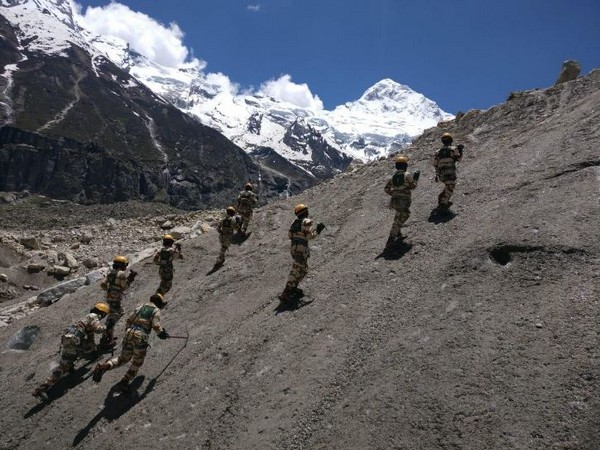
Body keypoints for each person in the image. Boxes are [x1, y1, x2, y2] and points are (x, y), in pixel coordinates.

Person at [92, 293, 169, 393]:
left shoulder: (140, 306)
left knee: (123, 358)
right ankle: (124, 381)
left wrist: (128, 332)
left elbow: (129, 320)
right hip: (140, 336)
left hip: (129, 333)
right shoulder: (155, 310)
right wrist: (161, 333)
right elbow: (156, 325)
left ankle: (105, 366)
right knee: (137, 361)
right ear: (158, 302)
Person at [33, 303, 110, 399]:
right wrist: (107, 326)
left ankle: (69, 365)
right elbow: (98, 330)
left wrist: (93, 351)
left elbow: (91, 340)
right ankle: (43, 387)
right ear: (102, 313)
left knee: (76, 353)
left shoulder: (87, 319)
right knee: (64, 365)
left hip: (70, 338)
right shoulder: (93, 316)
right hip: (73, 340)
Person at [279, 204, 325, 303]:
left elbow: (290, 235)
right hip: (301, 248)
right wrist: (318, 230)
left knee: (303, 270)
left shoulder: (293, 222)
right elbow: (309, 237)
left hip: (294, 248)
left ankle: (293, 288)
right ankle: (286, 293)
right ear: (305, 212)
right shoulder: (307, 222)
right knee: (296, 270)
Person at [99, 255, 137, 350]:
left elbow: (103, 285)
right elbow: (125, 287)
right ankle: (107, 336)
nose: (126, 266)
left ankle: (107, 335)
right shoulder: (121, 274)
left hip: (109, 296)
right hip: (116, 298)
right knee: (115, 316)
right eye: (125, 264)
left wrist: (110, 289)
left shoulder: (110, 272)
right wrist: (131, 278)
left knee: (113, 314)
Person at [384, 155, 420, 248]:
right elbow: (413, 187)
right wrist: (416, 178)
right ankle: (391, 237)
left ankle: (398, 233)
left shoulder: (392, 177)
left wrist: (394, 193)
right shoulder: (407, 175)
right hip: (403, 200)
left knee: (398, 214)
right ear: (405, 166)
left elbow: (386, 188)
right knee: (404, 215)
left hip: (394, 201)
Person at [433, 132, 464, 211]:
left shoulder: (438, 152)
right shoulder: (453, 149)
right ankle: (443, 204)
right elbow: (459, 159)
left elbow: (435, 164)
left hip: (441, 175)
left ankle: (442, 197)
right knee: (451, 186)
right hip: (450, 173)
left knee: (448, 185)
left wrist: (437, 175)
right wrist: (461, 150)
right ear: (451, 140)